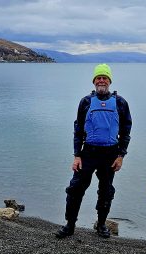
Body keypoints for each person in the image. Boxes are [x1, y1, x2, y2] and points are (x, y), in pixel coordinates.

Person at [56, 64, 132, 238]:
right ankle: (70, 225)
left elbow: (126, 130)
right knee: (75, 189)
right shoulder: (86, 102)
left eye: (105, 77)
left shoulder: (120, 103)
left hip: (110, 154)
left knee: (106, 191)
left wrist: (121, 156)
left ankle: (102, 225)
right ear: (94, 81)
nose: (101, 80)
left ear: (110, 81)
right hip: (88, 153)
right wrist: (76, 155)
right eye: (98, 77)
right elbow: (78, 130)